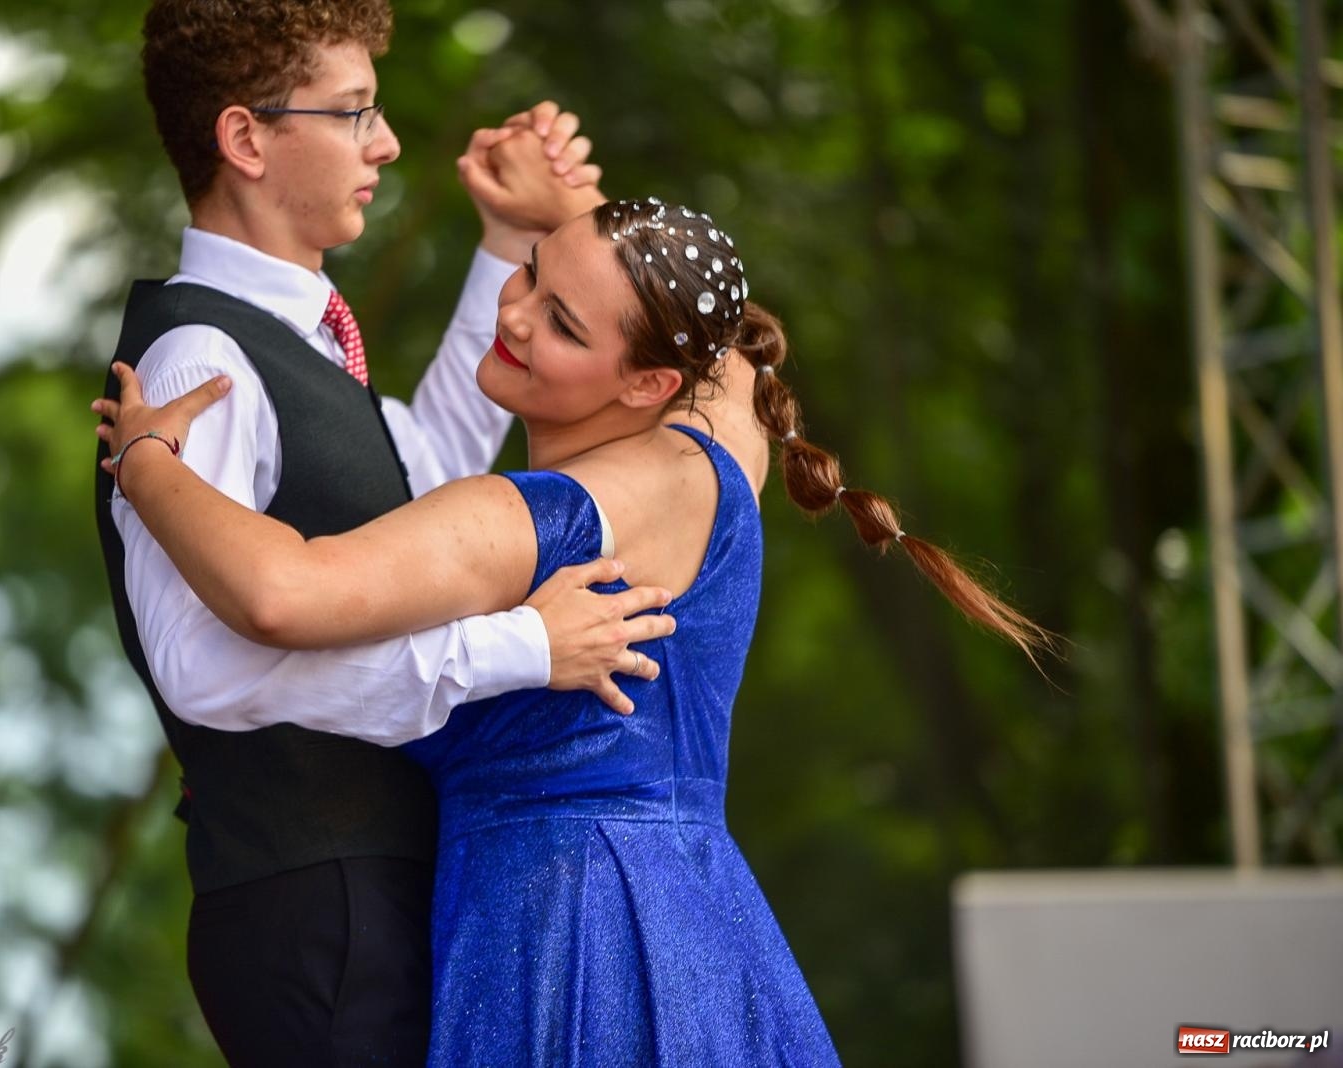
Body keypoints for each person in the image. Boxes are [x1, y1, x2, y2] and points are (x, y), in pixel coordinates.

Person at [95, 197, 1054, 1064]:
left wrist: (144, 459)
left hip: (568, 938)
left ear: (644, 382)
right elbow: (715, 342)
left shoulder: (542, 518)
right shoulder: (719, 454)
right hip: (695, 922)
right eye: (532, 272)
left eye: (561, 321)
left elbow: (281, 595)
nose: (513, 314)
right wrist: (572, 221)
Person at [98, 2, 678, 1063]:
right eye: (355, 112)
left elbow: (432, 471)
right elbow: (202, 670)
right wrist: (517, 652)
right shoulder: (194, 363)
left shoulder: (299, 342)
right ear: (246, 139)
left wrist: (508, 240)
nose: (388, 142)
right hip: (312, 909)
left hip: (364, 892)